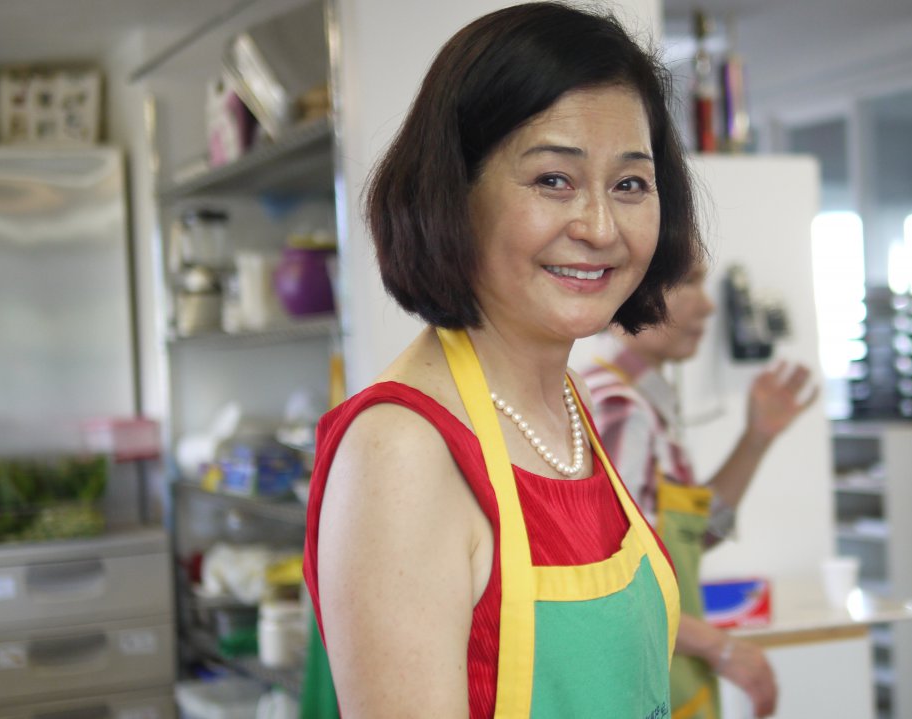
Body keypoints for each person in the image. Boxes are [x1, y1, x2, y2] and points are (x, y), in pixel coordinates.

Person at [301, 3, 704, 716]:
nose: (599, 226)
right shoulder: (401, 451)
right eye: (553, 179)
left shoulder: (569, 405)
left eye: (630, 184)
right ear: (453, 192)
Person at [583, 262, 820, 719]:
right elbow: (616, 587)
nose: (708, 306)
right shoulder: (619, 408)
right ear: (628, 290)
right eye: (686, 281)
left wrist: (757, 439)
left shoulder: (642, 403)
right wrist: (721, 648)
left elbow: (695, 537)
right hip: (643, 687)